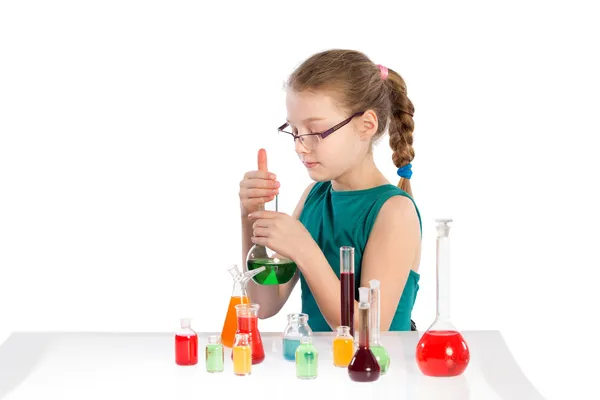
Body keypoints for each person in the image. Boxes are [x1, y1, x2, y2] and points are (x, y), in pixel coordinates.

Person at [239, 49, 421, 332]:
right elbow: (264, 304)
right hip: (319, 371)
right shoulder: (314, 196)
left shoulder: (394, 212)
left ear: (366, 125)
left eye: (315, 131)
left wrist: (304, 249)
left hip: (381, 373)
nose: (300, 145)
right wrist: (251, 216)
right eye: (295, 131)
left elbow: (367, 332)